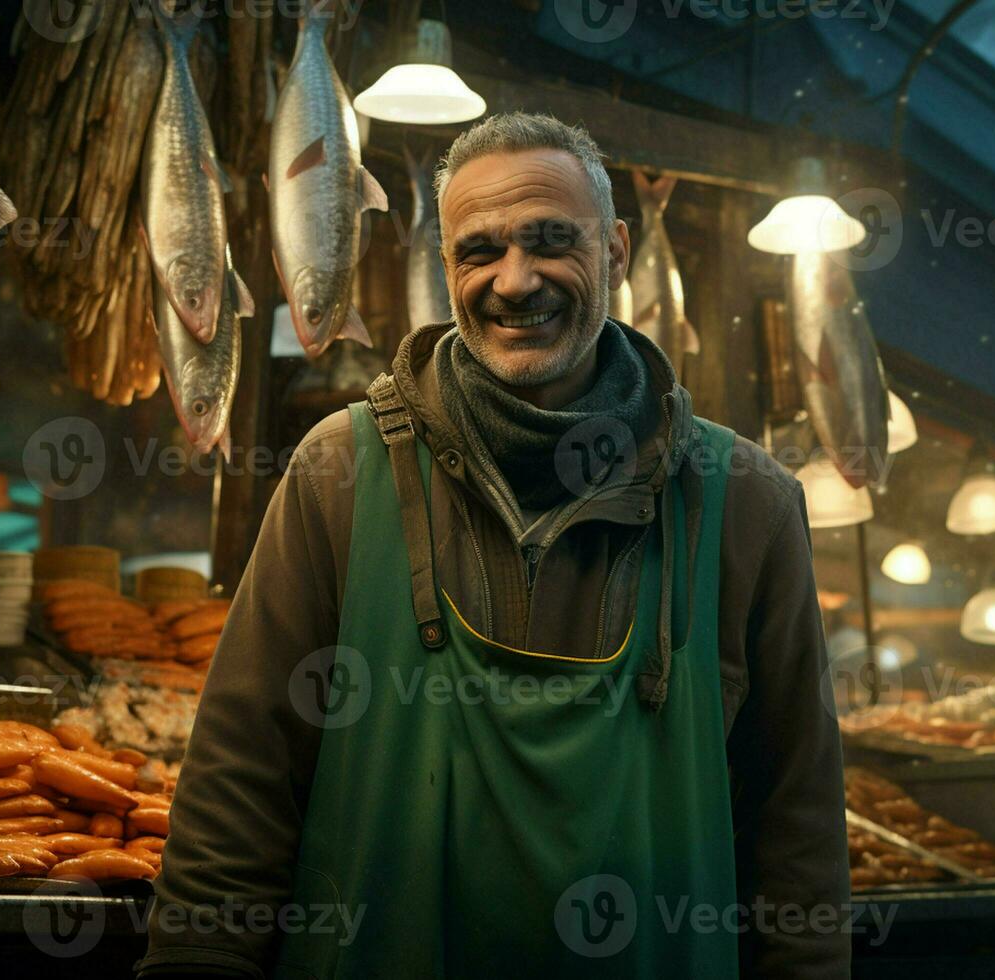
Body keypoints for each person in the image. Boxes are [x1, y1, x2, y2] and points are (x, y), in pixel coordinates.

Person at [137, 112, 850, 979]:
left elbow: (798, 834)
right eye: (479, 251)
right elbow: (235, 795)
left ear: (617, 251)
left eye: (552, 241)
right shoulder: (337, 476)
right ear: (446, 267)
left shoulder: (745, 504)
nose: (515, 281)